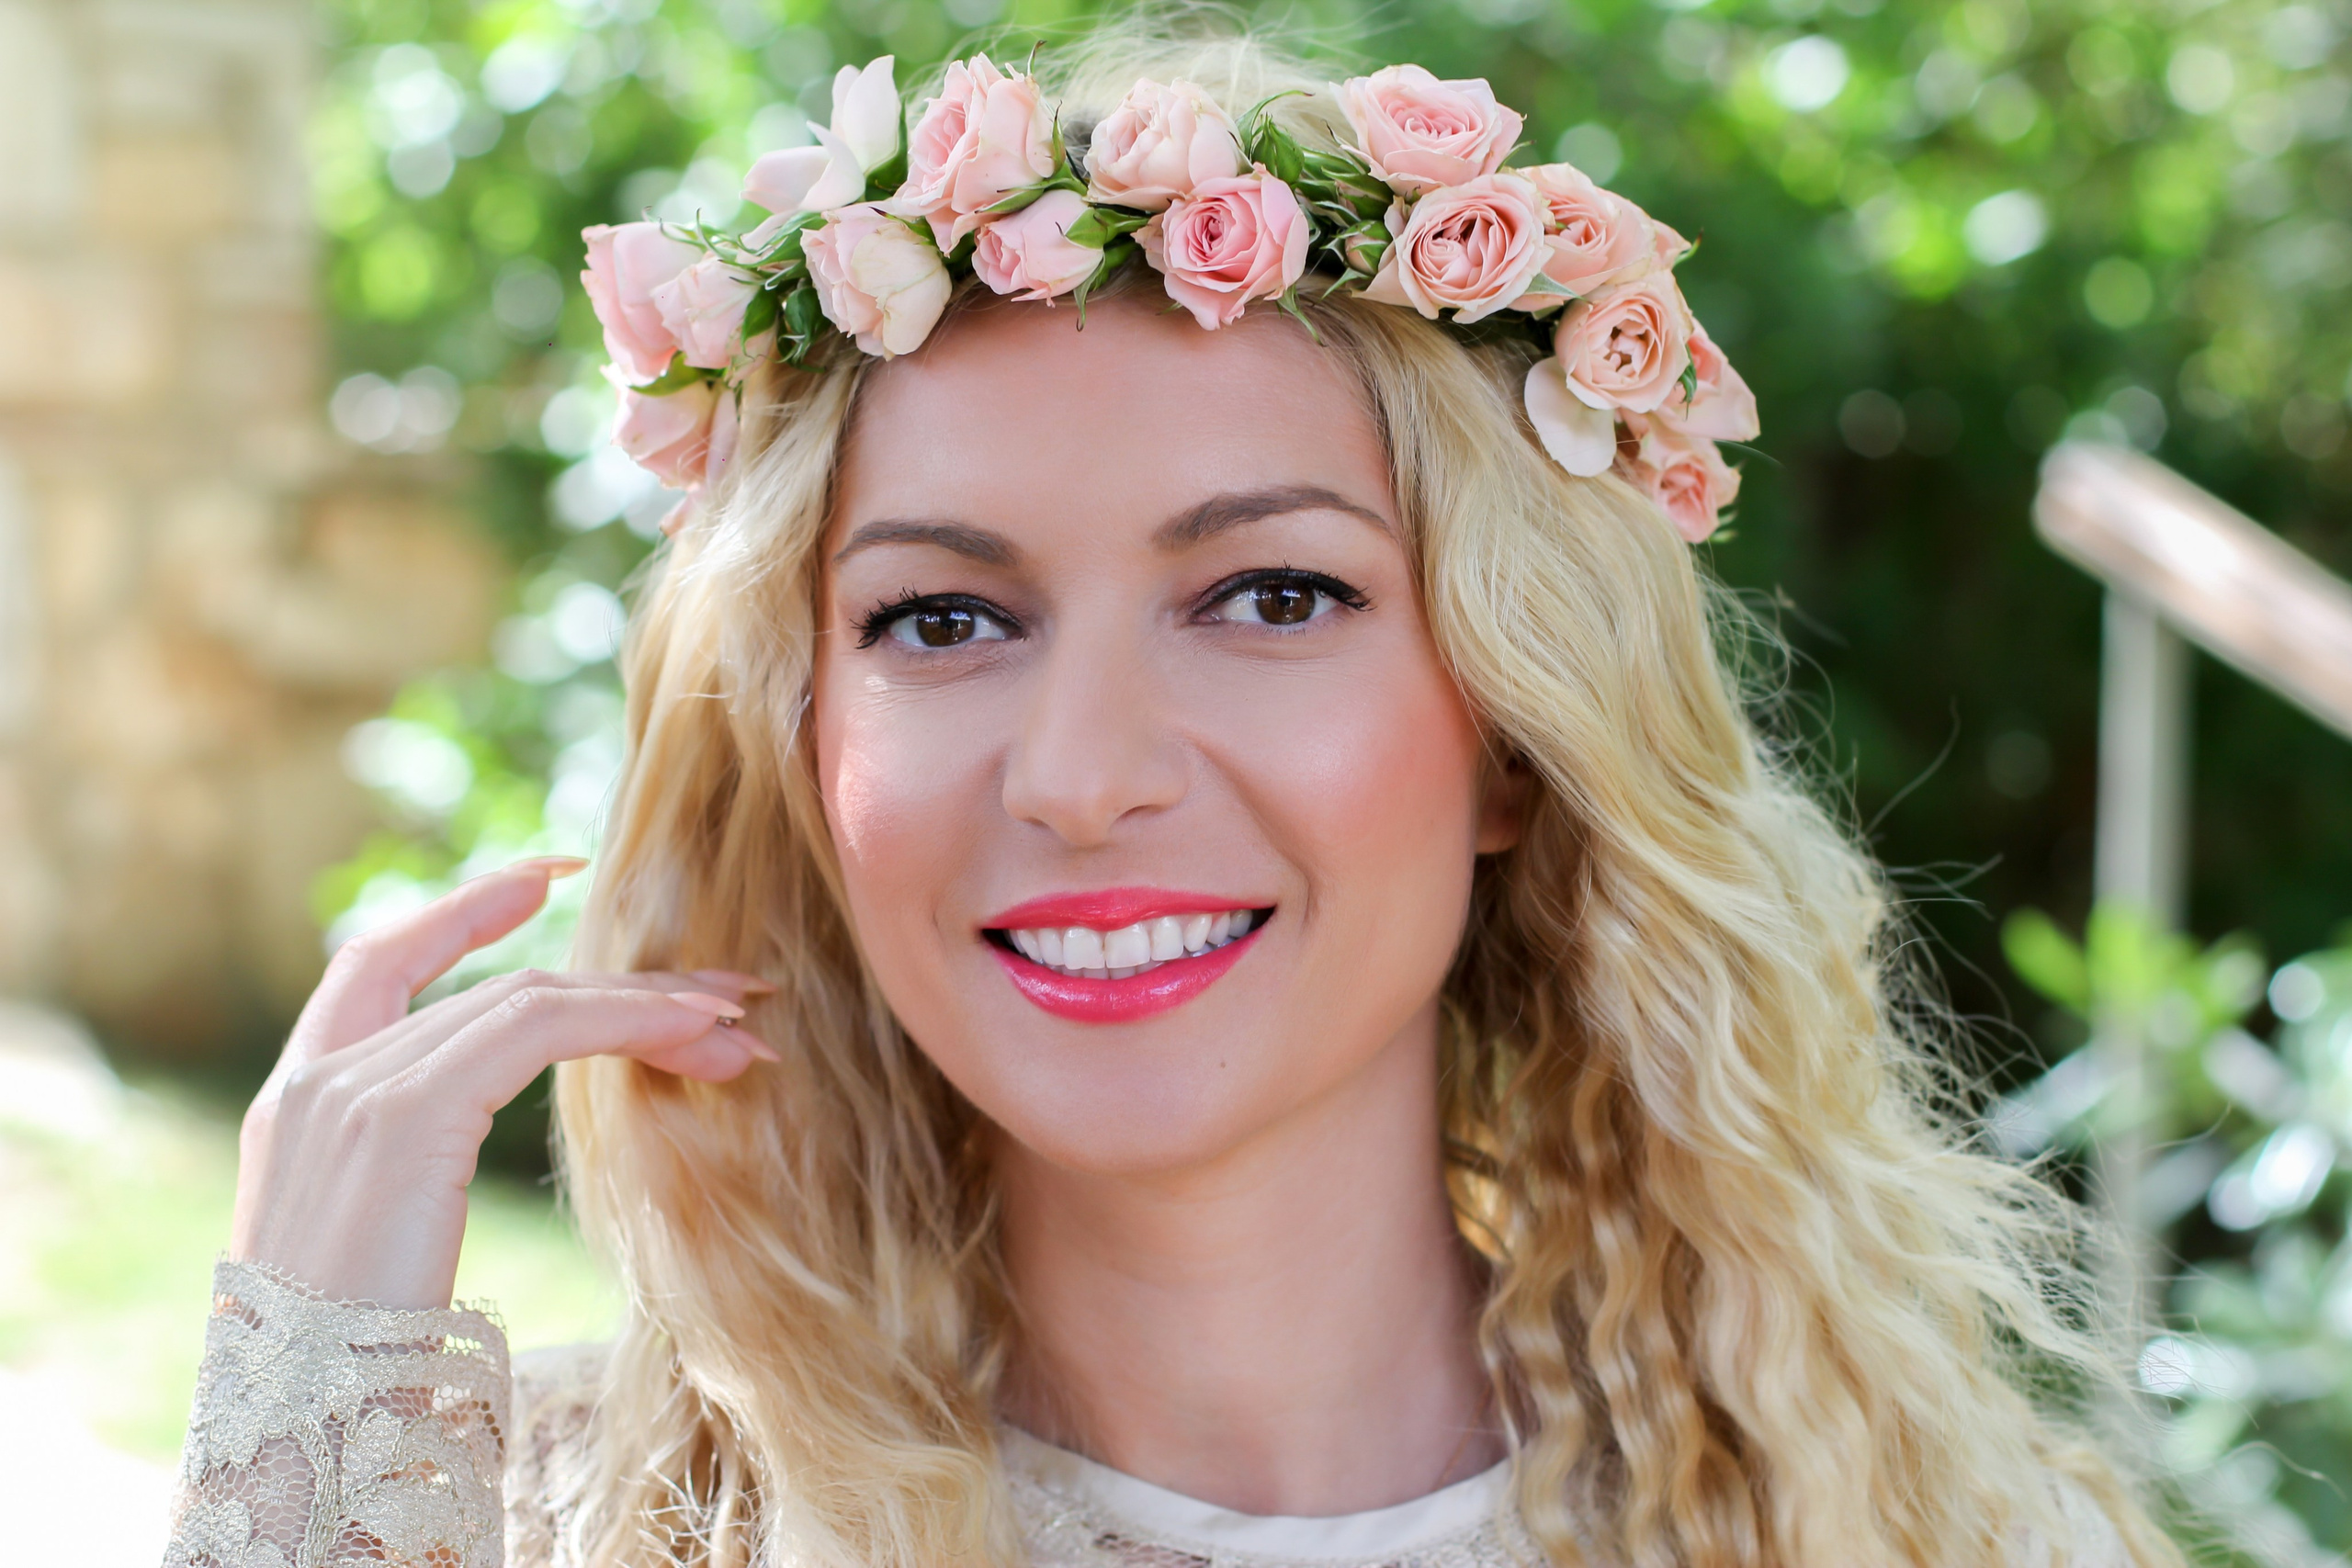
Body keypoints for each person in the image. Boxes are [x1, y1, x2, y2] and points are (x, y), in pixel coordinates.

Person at [165, 28, 2176, 1568]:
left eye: (1270, 594)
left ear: (1507, 732)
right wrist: (303, 1431)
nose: (1084, 776)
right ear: (803, 740)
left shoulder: (1940, 1527)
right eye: (943, 618)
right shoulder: (536, 1523)